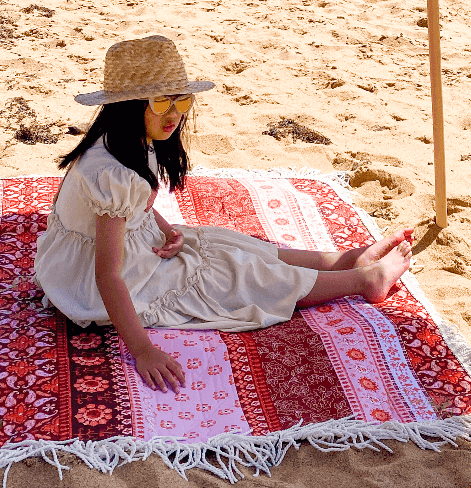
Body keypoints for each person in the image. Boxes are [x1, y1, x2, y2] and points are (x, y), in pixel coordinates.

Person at [34, 35, 412, 394]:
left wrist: (165, 229)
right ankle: (364, 280)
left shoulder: (129, 141)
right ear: (130, 107)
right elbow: (107, 273)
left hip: (125, 249)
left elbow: (138, 210)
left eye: (182, 102)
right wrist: (142, 349)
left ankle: (340, 262)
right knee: (238, 275)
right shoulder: (109, 171)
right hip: (97, 283)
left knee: (223, 242)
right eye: (163, 103)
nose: (176, 115)